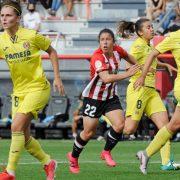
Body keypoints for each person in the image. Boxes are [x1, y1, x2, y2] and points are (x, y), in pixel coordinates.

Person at [0, 0, 65, 179]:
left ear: (18, 18)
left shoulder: (31, 36)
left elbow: (52, 52)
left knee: (16, 127)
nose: (4, 19)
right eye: (2, 15)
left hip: (38, 88)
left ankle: (10, 172)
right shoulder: (1, 40)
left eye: (8, 15)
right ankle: (48, 162)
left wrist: (57, 77)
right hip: (18, 92)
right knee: (25, 138)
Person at [67, 28, 140, 174]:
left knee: (120, 125)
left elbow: (129, 57)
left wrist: (141, 67)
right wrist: (128, 73)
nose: (105, 42)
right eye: (102, 40)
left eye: (108, 39)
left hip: (110, 97)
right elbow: (106, 78)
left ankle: (106, 152)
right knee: (88, 132)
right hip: (93, 99)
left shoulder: (118, 51)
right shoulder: (97, 57)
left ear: (113, 42)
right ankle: (74, 157)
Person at [117, 18, 178, 173]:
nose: (152, 29)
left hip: (151, 91)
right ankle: (111, 120)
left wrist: (165, 65)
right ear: (140, 32)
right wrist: (144, 71)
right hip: (139, 89)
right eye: (148, 27)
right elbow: (128, 65)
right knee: (129, 129)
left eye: (152, 26)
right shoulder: (137, 45)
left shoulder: (148, 45)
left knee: (165, 126)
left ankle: (166, 163)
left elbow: (152, 60)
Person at [134, 29, 180, 174]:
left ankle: (145, 154)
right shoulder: (174, 37)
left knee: (173, 125)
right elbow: (152, 54)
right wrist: (141, 76)